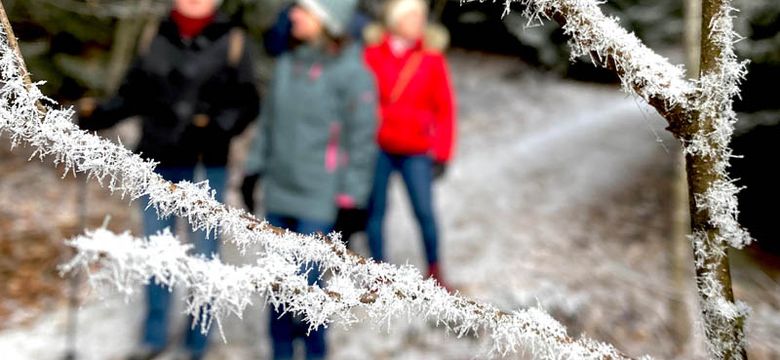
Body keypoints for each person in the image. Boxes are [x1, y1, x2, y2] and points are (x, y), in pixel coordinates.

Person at [78, 0, 260, 359]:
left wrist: (218, 126)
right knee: (156, 251)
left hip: (206, 164)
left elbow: (248, 103)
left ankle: (198, 340)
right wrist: (98, 114)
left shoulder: (234, 40)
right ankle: (154, 335)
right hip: (156, 160)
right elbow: (132, 95)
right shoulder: (155, 34)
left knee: (204, 254)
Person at [240, 0, 377, 358]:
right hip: (279, 195)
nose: (293, 15)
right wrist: (253, 169)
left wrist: (352, 200)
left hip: (319, 198)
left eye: (303, 9)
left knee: (306, 292)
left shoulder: (353, 75)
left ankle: (315, 353)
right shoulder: (288, 64)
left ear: (327, 19)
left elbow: (361, 144)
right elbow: (268, 125)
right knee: (278, 289)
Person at [363, 0, 457, 288]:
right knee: (375, 210)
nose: (419, 22)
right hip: (377, 144)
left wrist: (442, 152)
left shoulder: (431, 58)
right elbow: (359, 97)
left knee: (425, 211)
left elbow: (445, 108)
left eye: (421, 17)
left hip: (416, 147)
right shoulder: (371, 55)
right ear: (396, 19)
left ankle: (434, 268)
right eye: (412, 16)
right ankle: (378, 271)